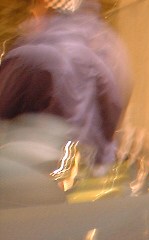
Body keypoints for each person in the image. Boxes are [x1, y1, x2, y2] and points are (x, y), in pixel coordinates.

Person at [0, 0, 132, 174]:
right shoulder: (113, 48)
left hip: (32, 172)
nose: (32, 10)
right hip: (89, 170)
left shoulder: (28, 55)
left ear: (47, 5)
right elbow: (114, 108)